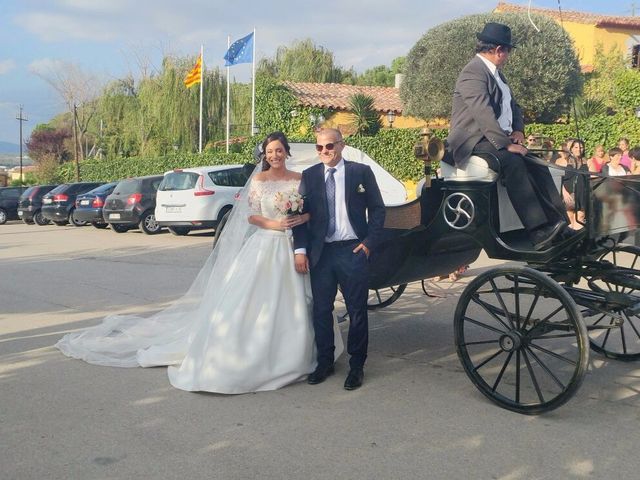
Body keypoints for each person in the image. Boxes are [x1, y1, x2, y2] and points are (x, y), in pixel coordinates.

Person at [56, 132, 343, 394]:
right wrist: (274, 223)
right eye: (270, 151)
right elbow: (252, 216)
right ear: (265, 154)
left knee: (297, 302)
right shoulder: (258, 180)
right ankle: (250, 355)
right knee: (250, 301)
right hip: (265, 243)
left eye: (279, 150)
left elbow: (309, 212)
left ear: (287, 152)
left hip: (291, 247)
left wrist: (300, 218)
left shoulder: (299, 179)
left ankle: (299, 354)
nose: (275, 155)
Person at [446, 22, 569, 251]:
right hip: (472, 141)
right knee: (513, 162)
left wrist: (519, 130)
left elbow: (513, 106)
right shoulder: (472, 72)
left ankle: (560, 223)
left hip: (492, 138)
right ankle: (538, 232)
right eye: (508, 51)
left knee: (537, 164)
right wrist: (505, 144)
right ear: (499, 50)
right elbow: (482, 113)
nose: (508, 56)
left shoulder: (498, 75)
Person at [293, 128, 385, 390]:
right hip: (321, 253)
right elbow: (299, 216)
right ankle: (325, 362)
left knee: (357, 311)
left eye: (329, 146)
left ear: (342, 145)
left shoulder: (360, 172)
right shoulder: (309, 176)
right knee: (321, 310)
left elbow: (378, 209)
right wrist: (300, 250)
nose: (324, 152)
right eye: (319, 147)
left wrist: (368, 244)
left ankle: (357, 366)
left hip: (353, 250)